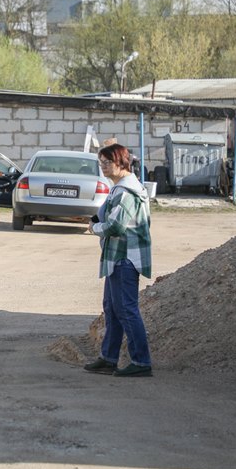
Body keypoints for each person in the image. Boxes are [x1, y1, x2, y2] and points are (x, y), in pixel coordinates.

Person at [84, 143, 154, 377]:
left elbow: (116, 225)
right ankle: (109, 358)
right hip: (116, 258)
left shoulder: (126, 191)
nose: (102, 167)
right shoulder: (118, 188)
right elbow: (105, 213)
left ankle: (141, 362)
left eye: (107, 163)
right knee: (112, 309)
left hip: (125, 259)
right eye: (100, 163)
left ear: (121, 162)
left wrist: (95, 228)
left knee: (126, 310)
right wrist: (96, 218)